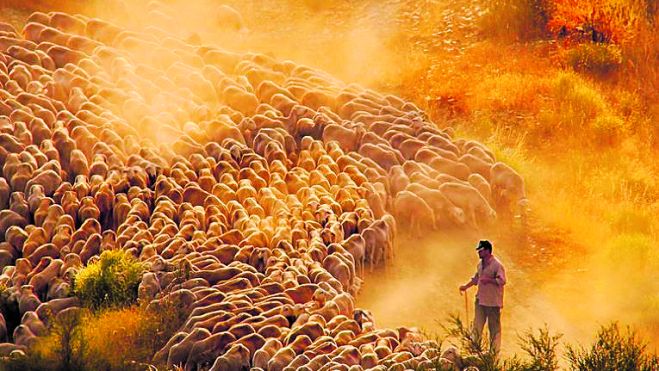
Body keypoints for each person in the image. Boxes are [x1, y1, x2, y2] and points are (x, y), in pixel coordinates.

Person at [459, 240, 507, 354]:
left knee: (494, 329)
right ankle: (474, 350)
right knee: (477, 326)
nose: (479, 253)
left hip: (493, 303)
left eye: (481, 251)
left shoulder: (497, 265)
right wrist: (466, 286)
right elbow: (476, 278)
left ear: (487, 251)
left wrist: (489, 280)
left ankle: (493, 354)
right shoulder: (480, 265)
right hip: (481, 300)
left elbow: (502, 280)